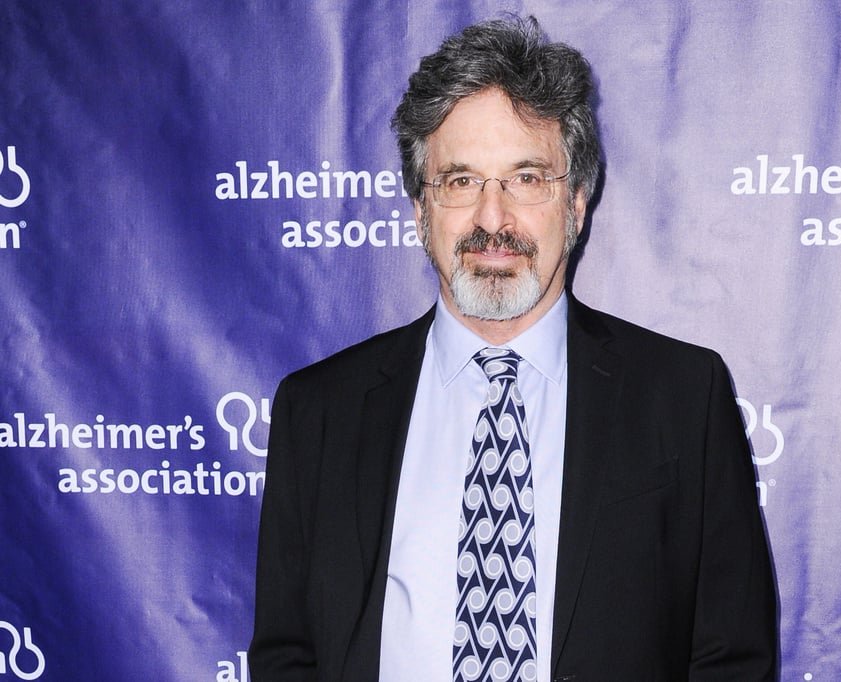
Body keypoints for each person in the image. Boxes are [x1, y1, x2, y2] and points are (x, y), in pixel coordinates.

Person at [249, 15, 777, 682]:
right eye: (460, 181)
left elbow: (731, 659)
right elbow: (287, 655)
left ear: (577, 204)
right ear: (421, 211)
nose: (492, 218)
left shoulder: (682, 398)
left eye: (527, 178)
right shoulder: (319, 411)